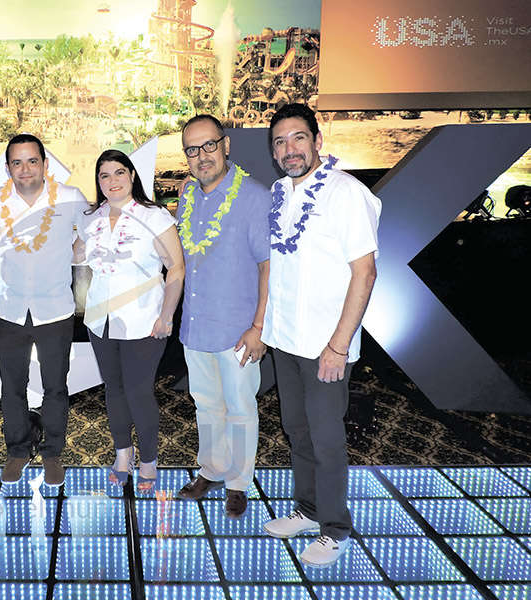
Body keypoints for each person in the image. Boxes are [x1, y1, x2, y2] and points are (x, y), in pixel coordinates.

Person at [261, 103, 380, 567]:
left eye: (297, 138)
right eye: (280, 142)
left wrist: (339, 345)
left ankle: (334, 528)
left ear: (317, 140)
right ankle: (308, 510)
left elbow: (365, 273)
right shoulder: (278, 193)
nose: (289, 149)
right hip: (286, 340)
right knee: (297, 430)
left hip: (326, 346)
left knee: (328, 438)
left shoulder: (346, 193)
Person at [175, 115, 271, 518]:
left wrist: (259, 328)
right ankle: (211, 470)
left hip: (238, 331)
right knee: (206, 405)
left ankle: (237, 482)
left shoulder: (254, 196)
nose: (202, 156)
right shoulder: (187, 195)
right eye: (192, 150)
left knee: (240, 408)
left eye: (209, 145)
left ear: (226, 145)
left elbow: (269, 266)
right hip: (196, 326)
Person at [74, 149, 184, 492]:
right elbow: (78, 258)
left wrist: (167, 315)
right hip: (100, 319)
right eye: (104, 176)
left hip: (144, 320)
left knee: (138, 392)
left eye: (119, 172)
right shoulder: (92, 217)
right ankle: (123, 452)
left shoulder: (154, 216)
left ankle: (149, 459)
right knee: (114, 390)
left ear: (132, 176)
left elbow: (176, 268)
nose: (112, 181)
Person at [0, 134, 88, 486]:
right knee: (12, 387)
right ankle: (17, 449)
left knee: (55, 387)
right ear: (8, 168)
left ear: (45, 165)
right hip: (9, 310)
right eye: (17, 162)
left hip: (55, 310)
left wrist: (76, 251)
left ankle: (53, 451)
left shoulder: (72, 199)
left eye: (32, 161)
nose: (25, 169)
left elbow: (90, 234)